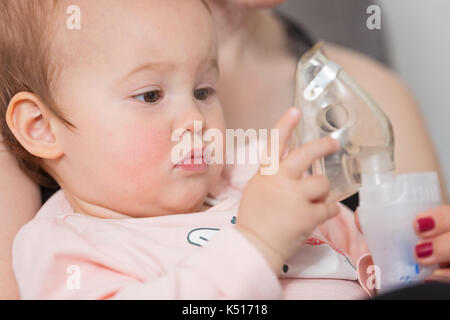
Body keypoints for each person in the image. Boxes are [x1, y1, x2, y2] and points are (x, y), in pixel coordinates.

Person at [0, 0, 448, 299]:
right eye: (150, 96)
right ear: (40, 127)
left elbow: (372, 265)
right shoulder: (68, 248)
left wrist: (411, 259)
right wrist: (255, 243)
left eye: (204, 90)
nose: (196, 121)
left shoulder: (251, 173)